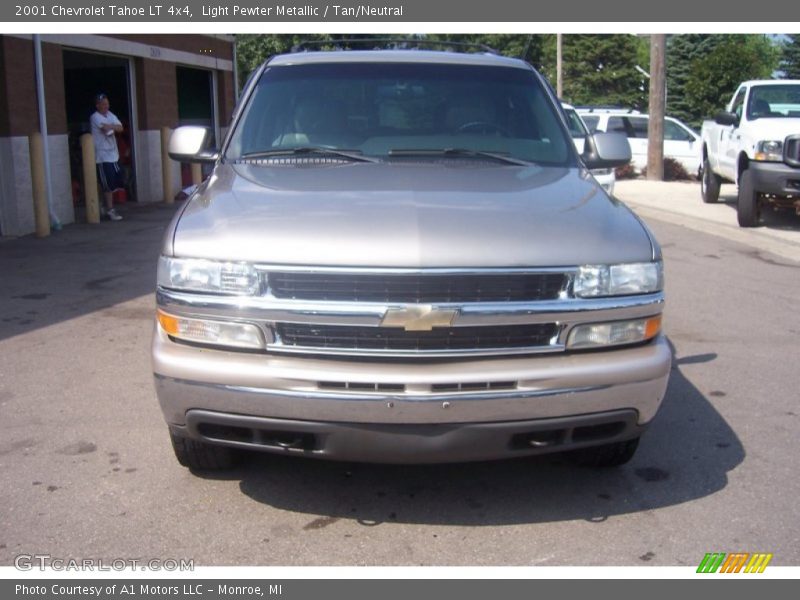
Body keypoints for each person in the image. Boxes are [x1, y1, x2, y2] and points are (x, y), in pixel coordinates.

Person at [90, 93, 124, 221]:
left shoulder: (110, 115)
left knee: (116, 182)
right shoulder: (95, 117)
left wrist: (111, 126)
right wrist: (112, 127)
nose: (106, 106)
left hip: (114, 155)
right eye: (103, 104)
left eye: (107, 104)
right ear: (97, 105)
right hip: (102, 156)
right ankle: (109, 209)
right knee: (107, 184)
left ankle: (104, 206)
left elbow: (120, 128)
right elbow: (107, 131)